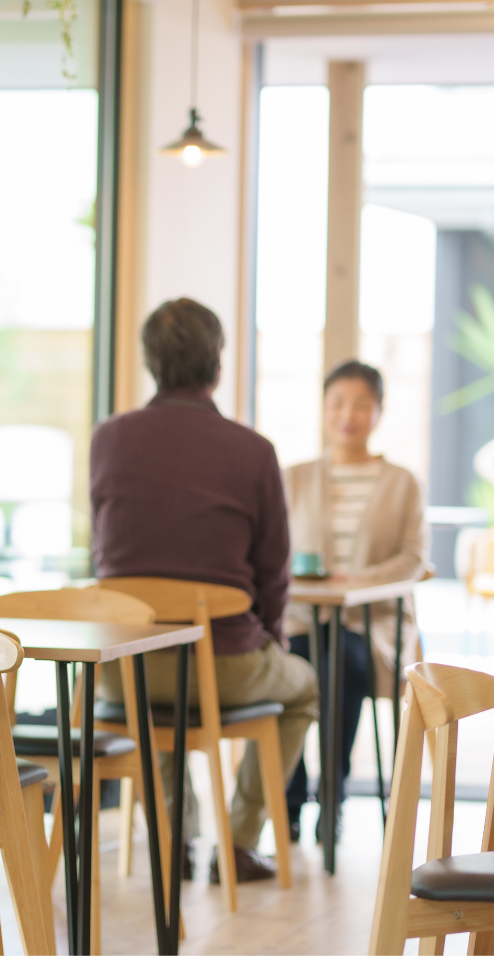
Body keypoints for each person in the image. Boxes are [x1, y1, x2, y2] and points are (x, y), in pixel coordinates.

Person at [91, 298, 319, 883]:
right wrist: (268, 638)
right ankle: (239, 841)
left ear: (150, 362)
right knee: (305, 690)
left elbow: (103, 550)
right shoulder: (253, 450)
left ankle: (175, 837)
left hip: (125, 664)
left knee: (155, 691)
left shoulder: (108, 439)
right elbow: (273, 572)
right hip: (226, 665)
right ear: (217, 363)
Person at [283, 360, 429, 838]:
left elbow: (413, 559)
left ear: (379, 412)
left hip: (374, 623)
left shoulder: (402, 481)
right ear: (324, 410)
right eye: (338, 403)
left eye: (361, 404)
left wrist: (355, 581)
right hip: (303, 619)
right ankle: (290, 790)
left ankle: (333, 794)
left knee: (339, 662)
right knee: (290, 661)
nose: (348, 414)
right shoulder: (295, 477)